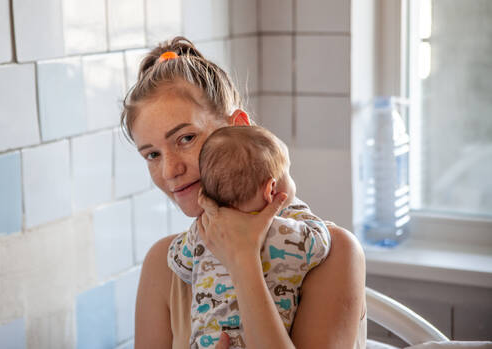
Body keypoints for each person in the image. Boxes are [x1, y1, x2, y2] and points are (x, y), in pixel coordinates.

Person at [122, 36, 366, 349]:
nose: (170, 170)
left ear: (238, 126)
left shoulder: (332, 253)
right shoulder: (165, 263)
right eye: (152, 154)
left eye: (185, 139)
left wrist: (243, 260)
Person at [168, 125, 332, 348]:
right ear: (271, 190)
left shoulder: (202, 233)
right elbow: (320, 242)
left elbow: (179, 260)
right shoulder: (288, 233)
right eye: (288, 174)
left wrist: (204, 217)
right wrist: (295, 210)